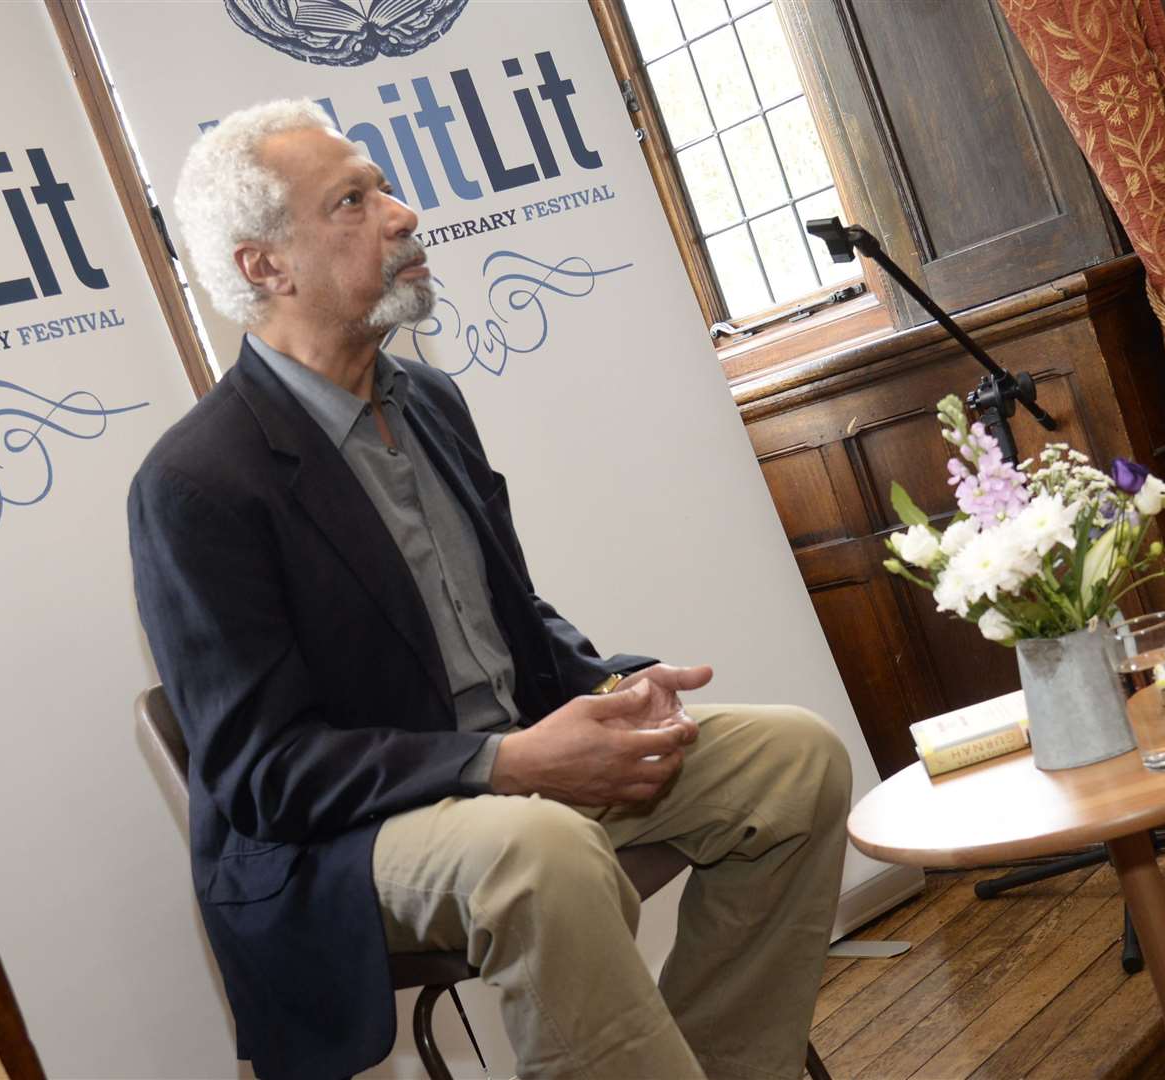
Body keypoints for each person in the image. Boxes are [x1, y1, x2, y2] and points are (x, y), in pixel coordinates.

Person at [128, 98, 852, 1080]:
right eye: (353, 200)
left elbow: (505, 618)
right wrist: (503, 763)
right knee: (540, 855)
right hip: (351, 839)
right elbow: (268, 774)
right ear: (266, 265)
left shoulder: (427, 400)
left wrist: (612, 690)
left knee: (792, 760)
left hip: (513, 774)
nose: (403, 214)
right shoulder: (195, 483)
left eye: (384, 186)